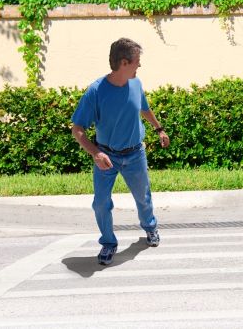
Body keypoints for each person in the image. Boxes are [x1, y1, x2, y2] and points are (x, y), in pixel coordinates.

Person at [71, 38, 170, 265]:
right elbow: (77, 130)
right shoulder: (96, 92)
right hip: (107, 156)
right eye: (137, 61)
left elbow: (144, 108)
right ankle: (108, 242)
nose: (139, 66)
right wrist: (95, 153)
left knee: (143, 197)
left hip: (135, 153)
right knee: (101, 203)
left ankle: (150, 227)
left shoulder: (136, 83)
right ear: (124, 62)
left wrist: (159, 129)